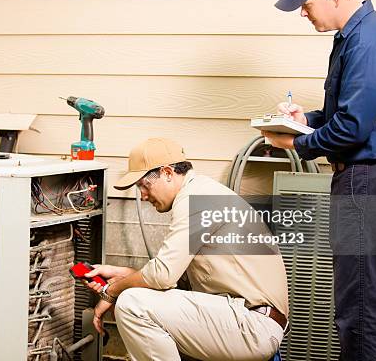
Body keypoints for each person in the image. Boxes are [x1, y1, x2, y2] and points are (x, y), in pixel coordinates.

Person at [265, 0, 376, 360]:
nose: (302, 11)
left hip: (371, 181)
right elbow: (351, 113)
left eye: (306, 1)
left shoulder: (367, 41)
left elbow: (353, 128)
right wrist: (308, 120)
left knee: (361, 308)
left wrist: (297, 143)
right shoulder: (358, 36)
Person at [84, 137, 289, 361]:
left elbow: (162, 276)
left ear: (167, 173)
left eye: (144, 185)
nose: (142, 195)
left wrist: (112, 292)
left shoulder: (196, 197)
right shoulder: (202, 193)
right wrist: (126, 275)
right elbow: (171, 281)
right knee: (136, 304)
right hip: (242, 319)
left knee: (133, 305)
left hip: (252, 324)